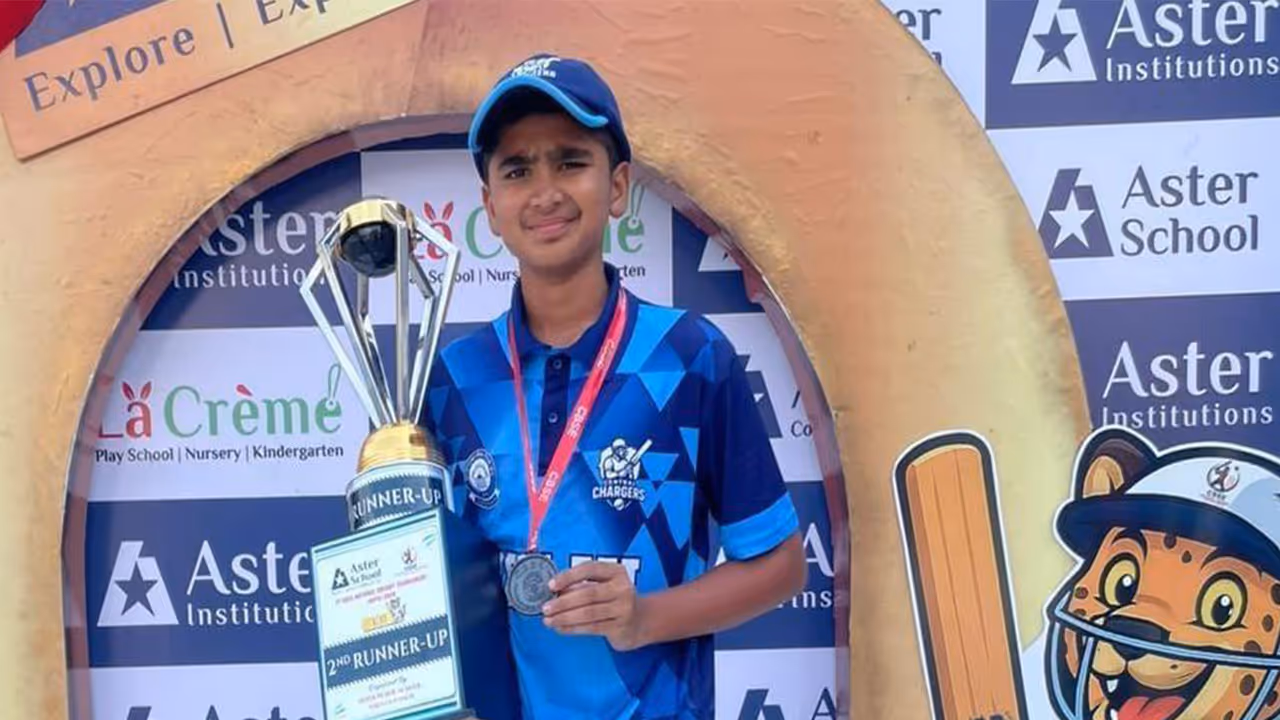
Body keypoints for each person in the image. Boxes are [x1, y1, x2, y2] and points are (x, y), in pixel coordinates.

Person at [422, 52, 807, 720]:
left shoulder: (690, 356)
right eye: (517, 169)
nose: (544, 191)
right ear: (489, 205)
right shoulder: (455, 378)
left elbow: (781, 567)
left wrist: (644, 618)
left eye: (570, 161)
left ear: (619, 186)